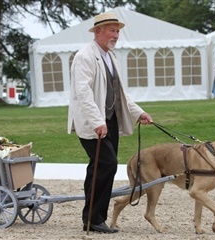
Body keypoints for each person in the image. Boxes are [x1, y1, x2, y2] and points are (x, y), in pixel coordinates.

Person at [67, 12, 153, 234]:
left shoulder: (110, 57)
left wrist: (138, 113)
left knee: (99, 167)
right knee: (107, 164)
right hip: (93, 123)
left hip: (110, 121)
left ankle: (92, 218)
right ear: (98, 31)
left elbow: (120, 94)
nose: (116, 35)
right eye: (111, 30)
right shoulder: (84, 56)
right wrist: (97, 121)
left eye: (117, 31)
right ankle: (94, 219)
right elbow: (83, 93)